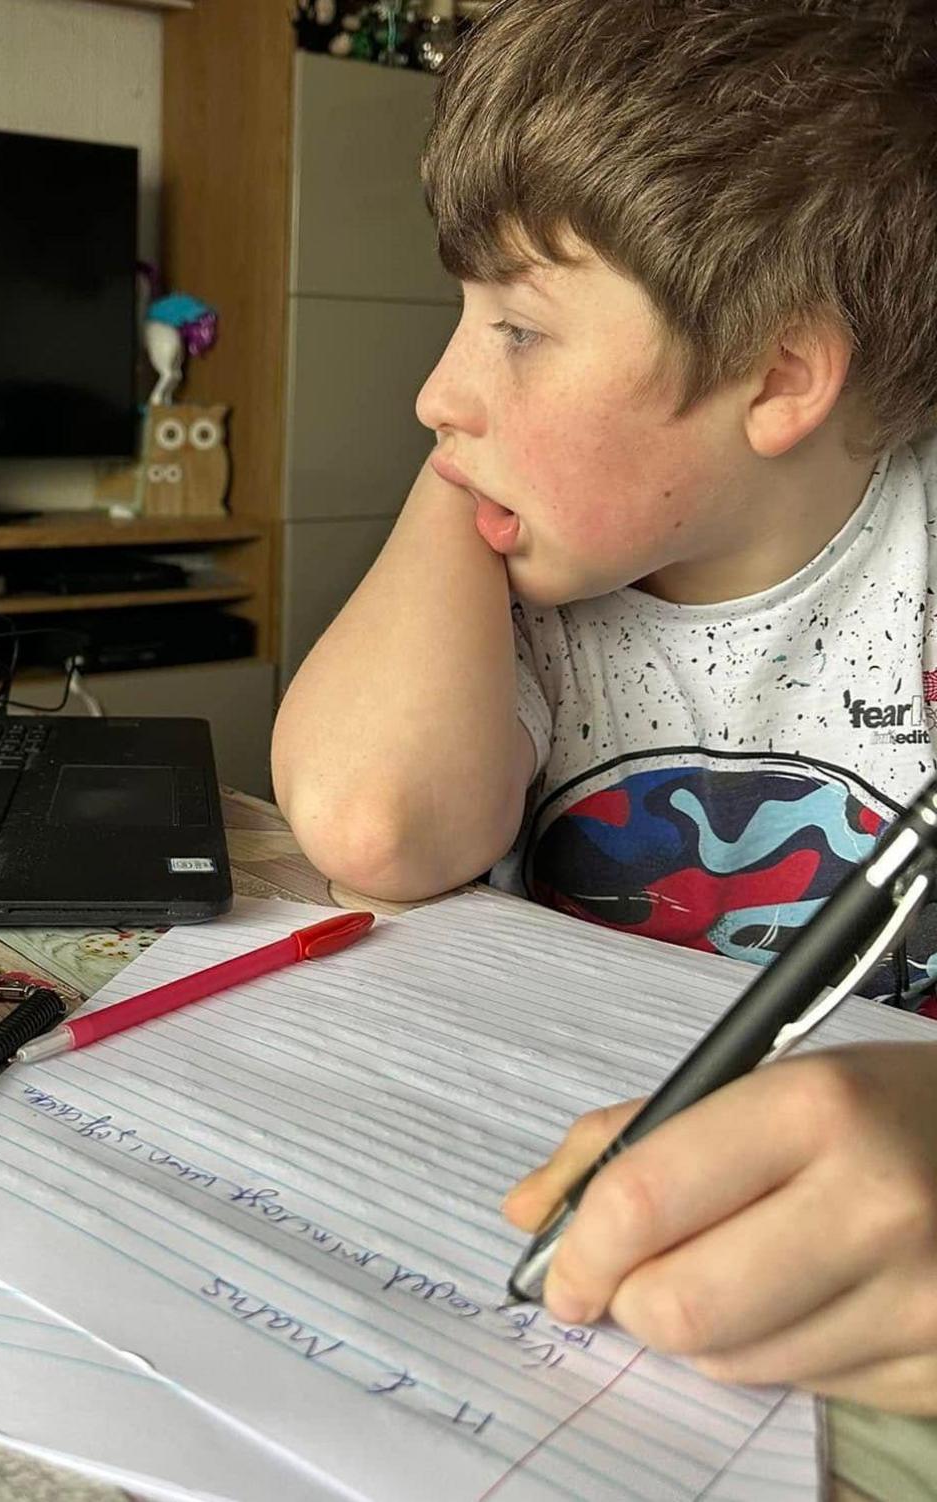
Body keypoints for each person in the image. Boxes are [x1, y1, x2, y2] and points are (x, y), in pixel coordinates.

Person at [271, 0, 937, 1414]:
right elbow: (373, 820)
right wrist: (489, 449)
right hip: (543, 1246)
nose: (433, 392)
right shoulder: (536, 580)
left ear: (777, 376)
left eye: (516, 326)